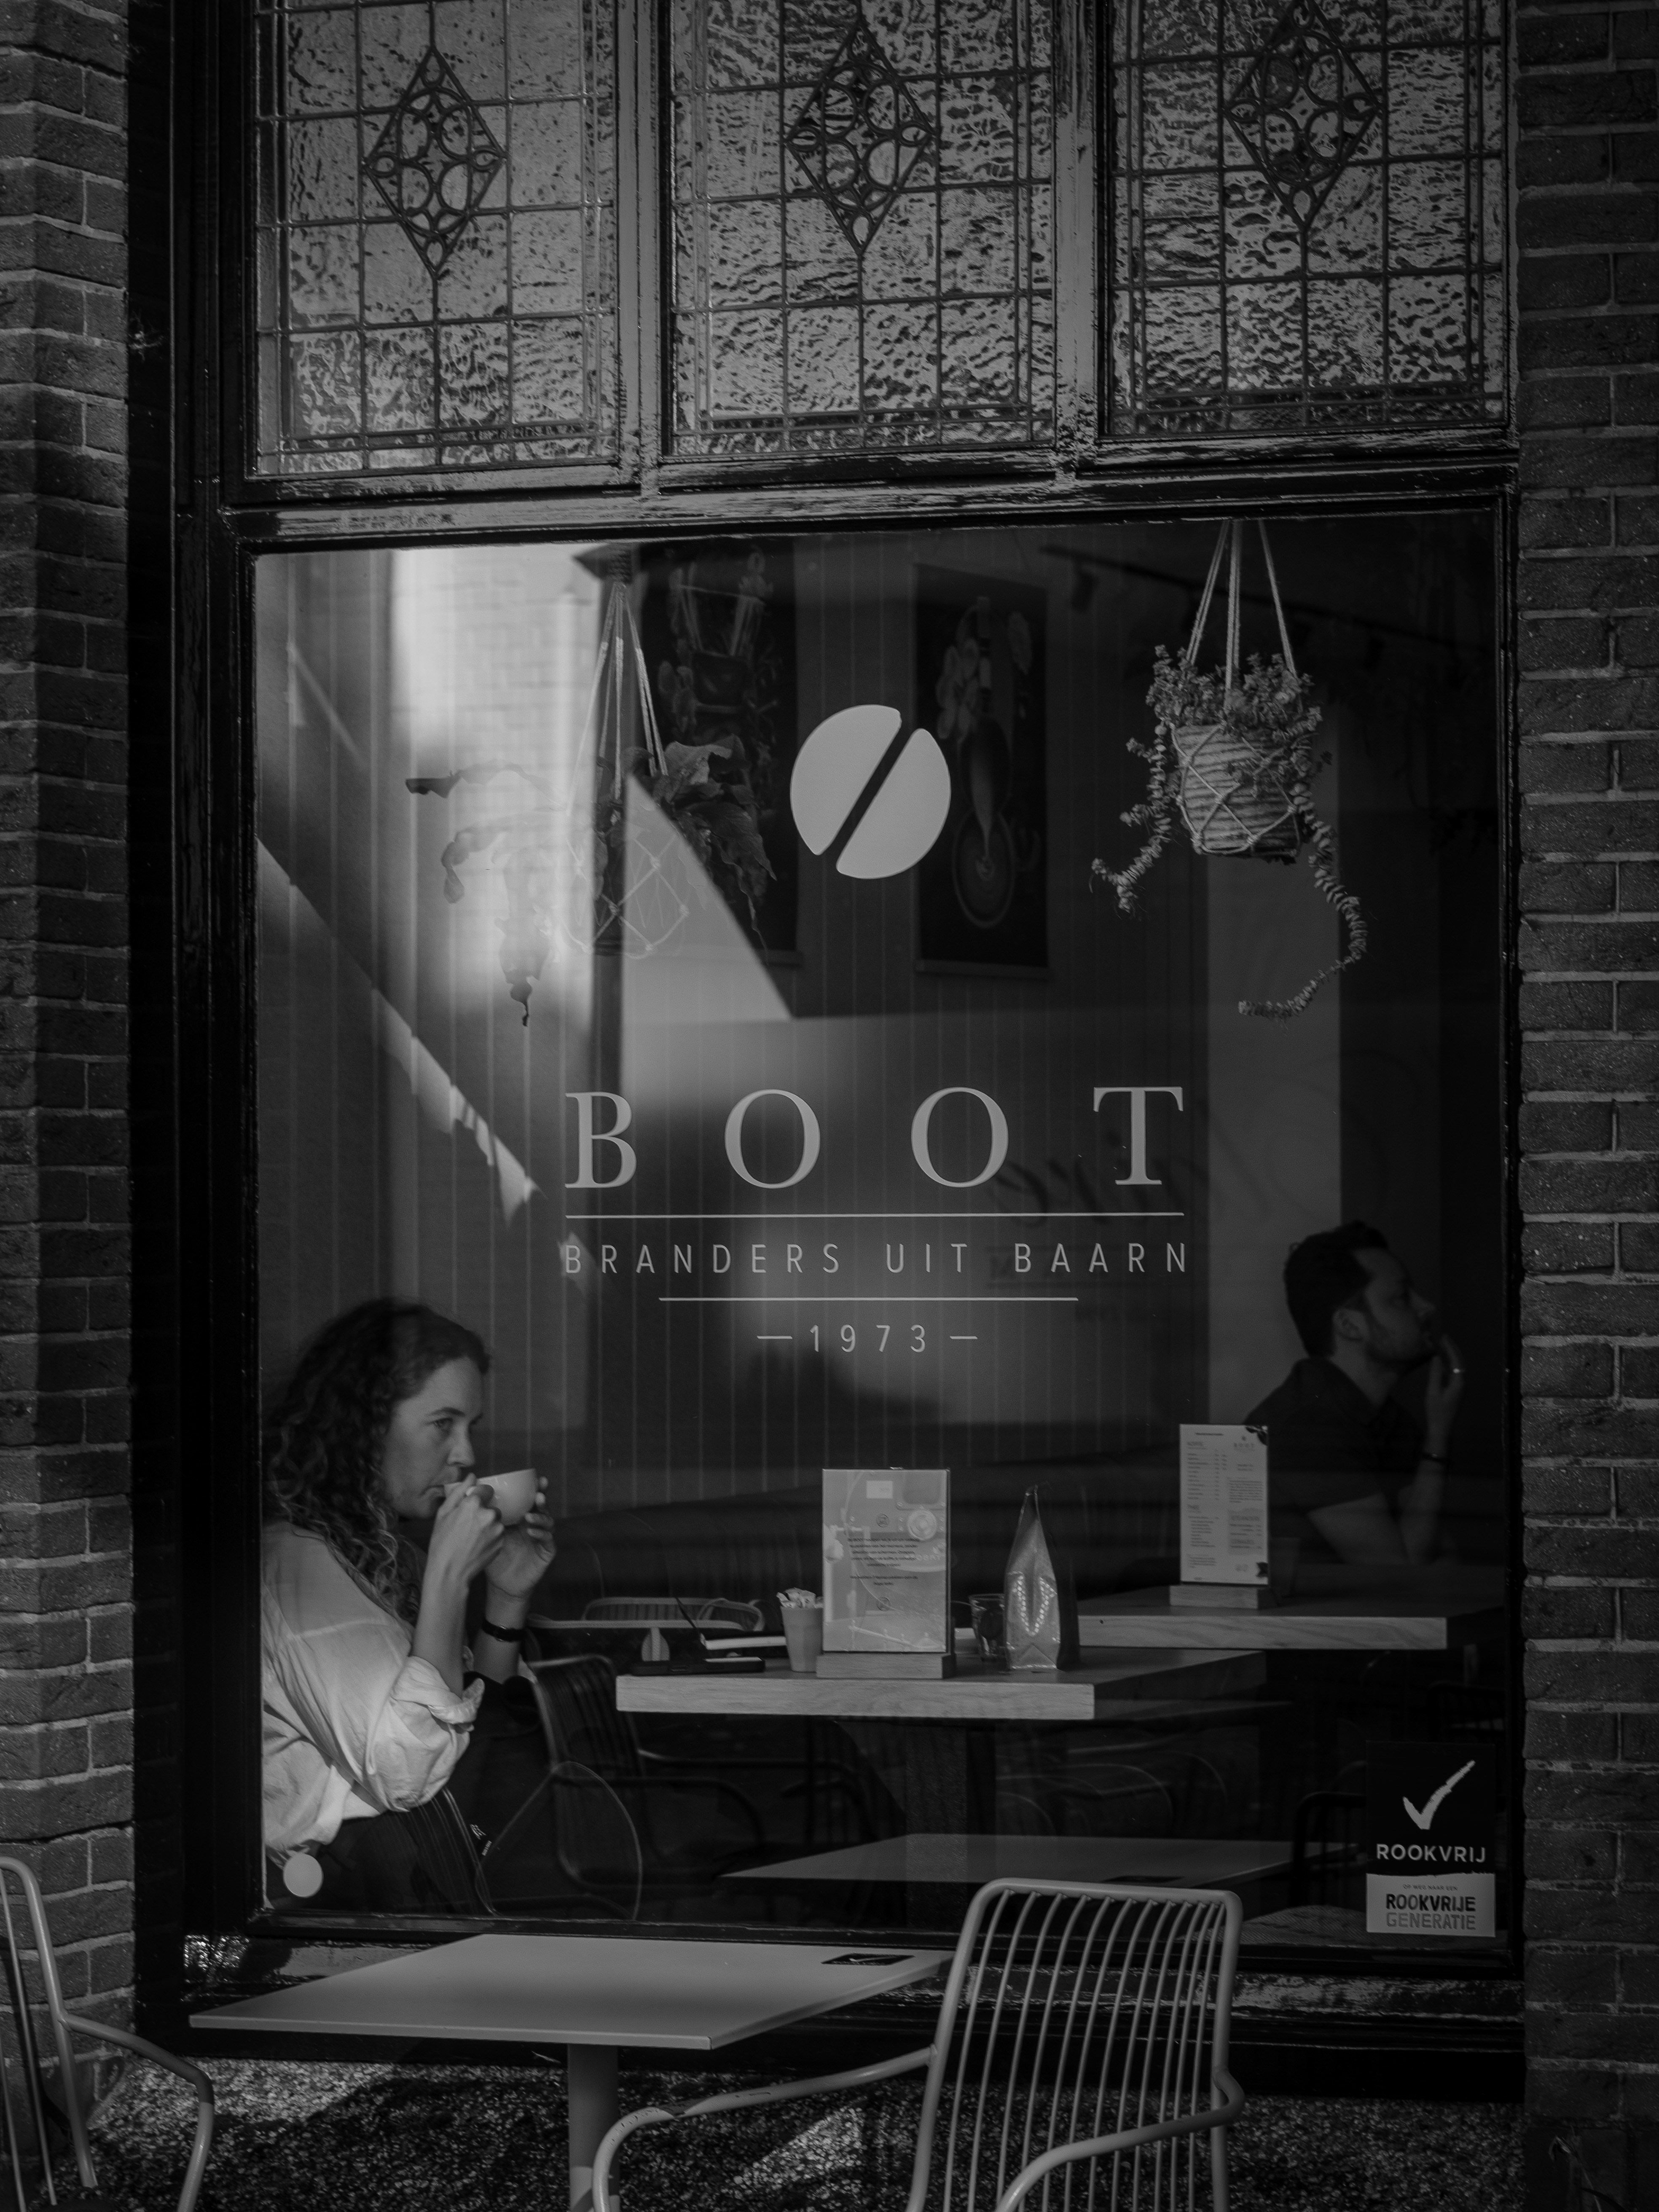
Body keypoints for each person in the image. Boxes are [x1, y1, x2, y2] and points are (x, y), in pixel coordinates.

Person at [261, 1298, 557, 1908]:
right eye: (443, 1424)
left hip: (424, 1877)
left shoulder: (386, 1552)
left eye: (471, 1426)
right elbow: (406, 1776)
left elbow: (473, 1739)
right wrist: (451, 1577)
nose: (466, 1455)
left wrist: (504, 1594)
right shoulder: (300, 1564)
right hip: (334, 1907)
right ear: (367, 1425)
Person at [1246, 1222, 1464, 1569]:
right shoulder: (1306, 1427)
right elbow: (1400, 1572)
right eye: (1401, 1298)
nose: (1426, 1307)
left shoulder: (1390, 1419)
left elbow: (1441, 1557)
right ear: (1349, 1326)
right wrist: (1438, 1433)